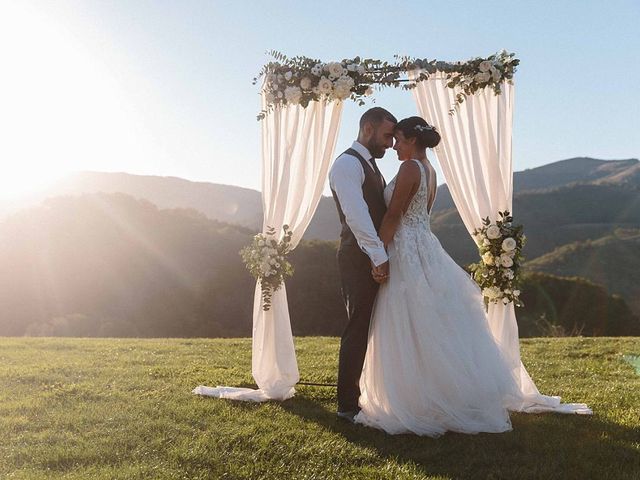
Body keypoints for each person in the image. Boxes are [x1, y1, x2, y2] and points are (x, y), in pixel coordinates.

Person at [354, 116, 522, 436]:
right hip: (425, 246)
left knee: (408, 319)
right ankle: (441, 392)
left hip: (406, 248)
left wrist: (377, 256)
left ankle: (416, 399)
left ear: (413, 141)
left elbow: (394, 215)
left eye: (400, 140)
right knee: (430, 320)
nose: (395, 147)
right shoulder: (429, 171)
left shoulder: (409, 168)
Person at [328, 107, 396, 423]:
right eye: (386, 136)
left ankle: (370, 393)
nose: (390, 144)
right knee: (358, 325)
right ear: (367, 128)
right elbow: (357, 216)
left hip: (371, 255)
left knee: (373, 325)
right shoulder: (346, 164)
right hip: (358, 257)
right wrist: (378, 257)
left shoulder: (371, 165)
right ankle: (346, 404)